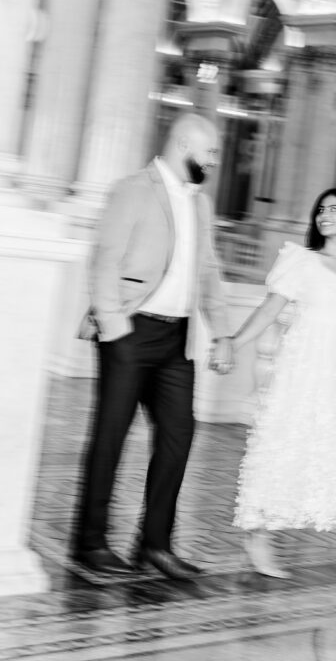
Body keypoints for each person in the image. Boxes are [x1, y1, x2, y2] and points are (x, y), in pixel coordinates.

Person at [72, 112, 235, 583]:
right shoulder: (133, 189)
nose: (215, 161)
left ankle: (155, 545)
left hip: (176, 341)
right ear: (185, 144)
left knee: (178, 436)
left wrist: (221, 330)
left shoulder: (200, 204)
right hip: (130, 330)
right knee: (111, 436)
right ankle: (90, 544)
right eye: (211, 152)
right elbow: (104, 261)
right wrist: (115, 328)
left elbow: (207, 272)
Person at [223, 186, 336, 591]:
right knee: (285, 448)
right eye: (320, 210)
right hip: (302, 371)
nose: (324, 215)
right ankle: (258, 536)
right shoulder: (300, 262)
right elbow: (269, 310)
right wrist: (232, 341)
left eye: (333, 209)